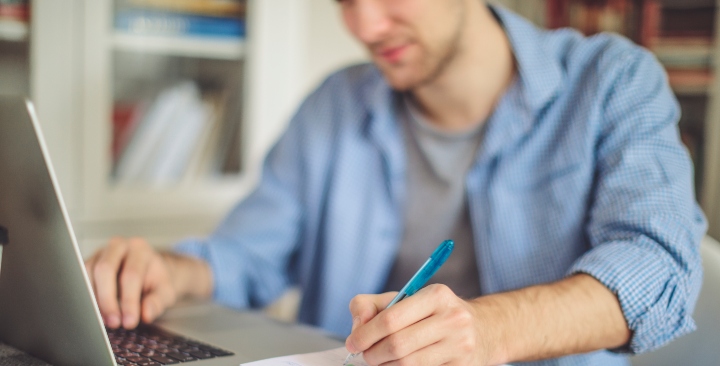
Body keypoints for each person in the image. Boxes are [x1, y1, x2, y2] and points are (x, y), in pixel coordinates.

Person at [84, 0, 708, 365]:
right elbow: (248, 255)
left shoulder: (613, 82)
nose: (365, 25)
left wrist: (487, 329)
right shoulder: (334, 104)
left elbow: (660, 266)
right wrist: (165, 271)